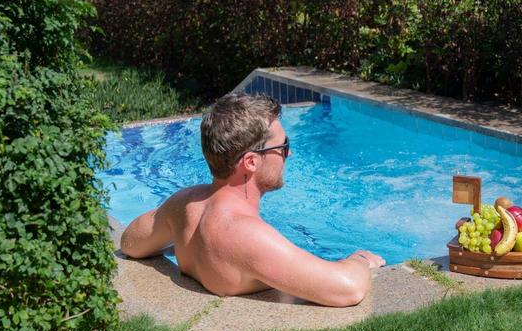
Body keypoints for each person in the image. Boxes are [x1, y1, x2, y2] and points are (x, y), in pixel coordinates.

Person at [120, 92, 385, 306]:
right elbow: (347, 289)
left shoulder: (184, 203)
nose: (288, 155)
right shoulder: (243, 233)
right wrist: (360, 260)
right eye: (283, 147)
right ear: (250, 162)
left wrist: (179, 240)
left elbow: (131, 242)